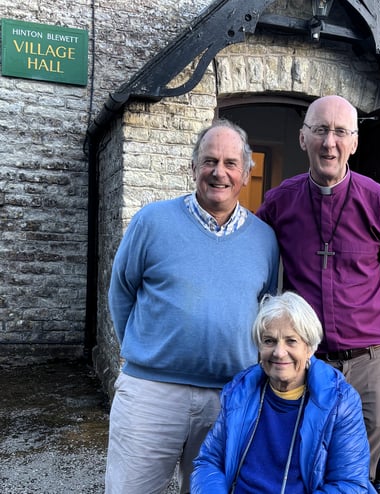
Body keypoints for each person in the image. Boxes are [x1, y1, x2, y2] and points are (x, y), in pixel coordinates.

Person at [256, 95, 380, 478]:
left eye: (341, 132)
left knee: (361, 473)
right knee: (301, 466)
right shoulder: (278, 203)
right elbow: (246, 263)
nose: (330, 142)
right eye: (320, 130)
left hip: (371, 366)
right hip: (305, 364)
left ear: (354, 143)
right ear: (302, 139)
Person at [105, 119, 280, 494]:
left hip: (229, 399)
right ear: (193, 167)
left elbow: (266, 312)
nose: (219, 172)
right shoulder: (152, 221)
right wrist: (147, 350)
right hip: (151, 393)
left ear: (246, 174)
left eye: (231, 163)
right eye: (209, 161)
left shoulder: (265, 240)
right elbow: (121, 290)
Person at [191, 291, 376, 493]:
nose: (279, 352)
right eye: (269, 341)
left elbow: (348, 484)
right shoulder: (240, 391)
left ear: (310, 347)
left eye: (291, 341)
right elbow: (209, 461)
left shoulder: (340, 402)